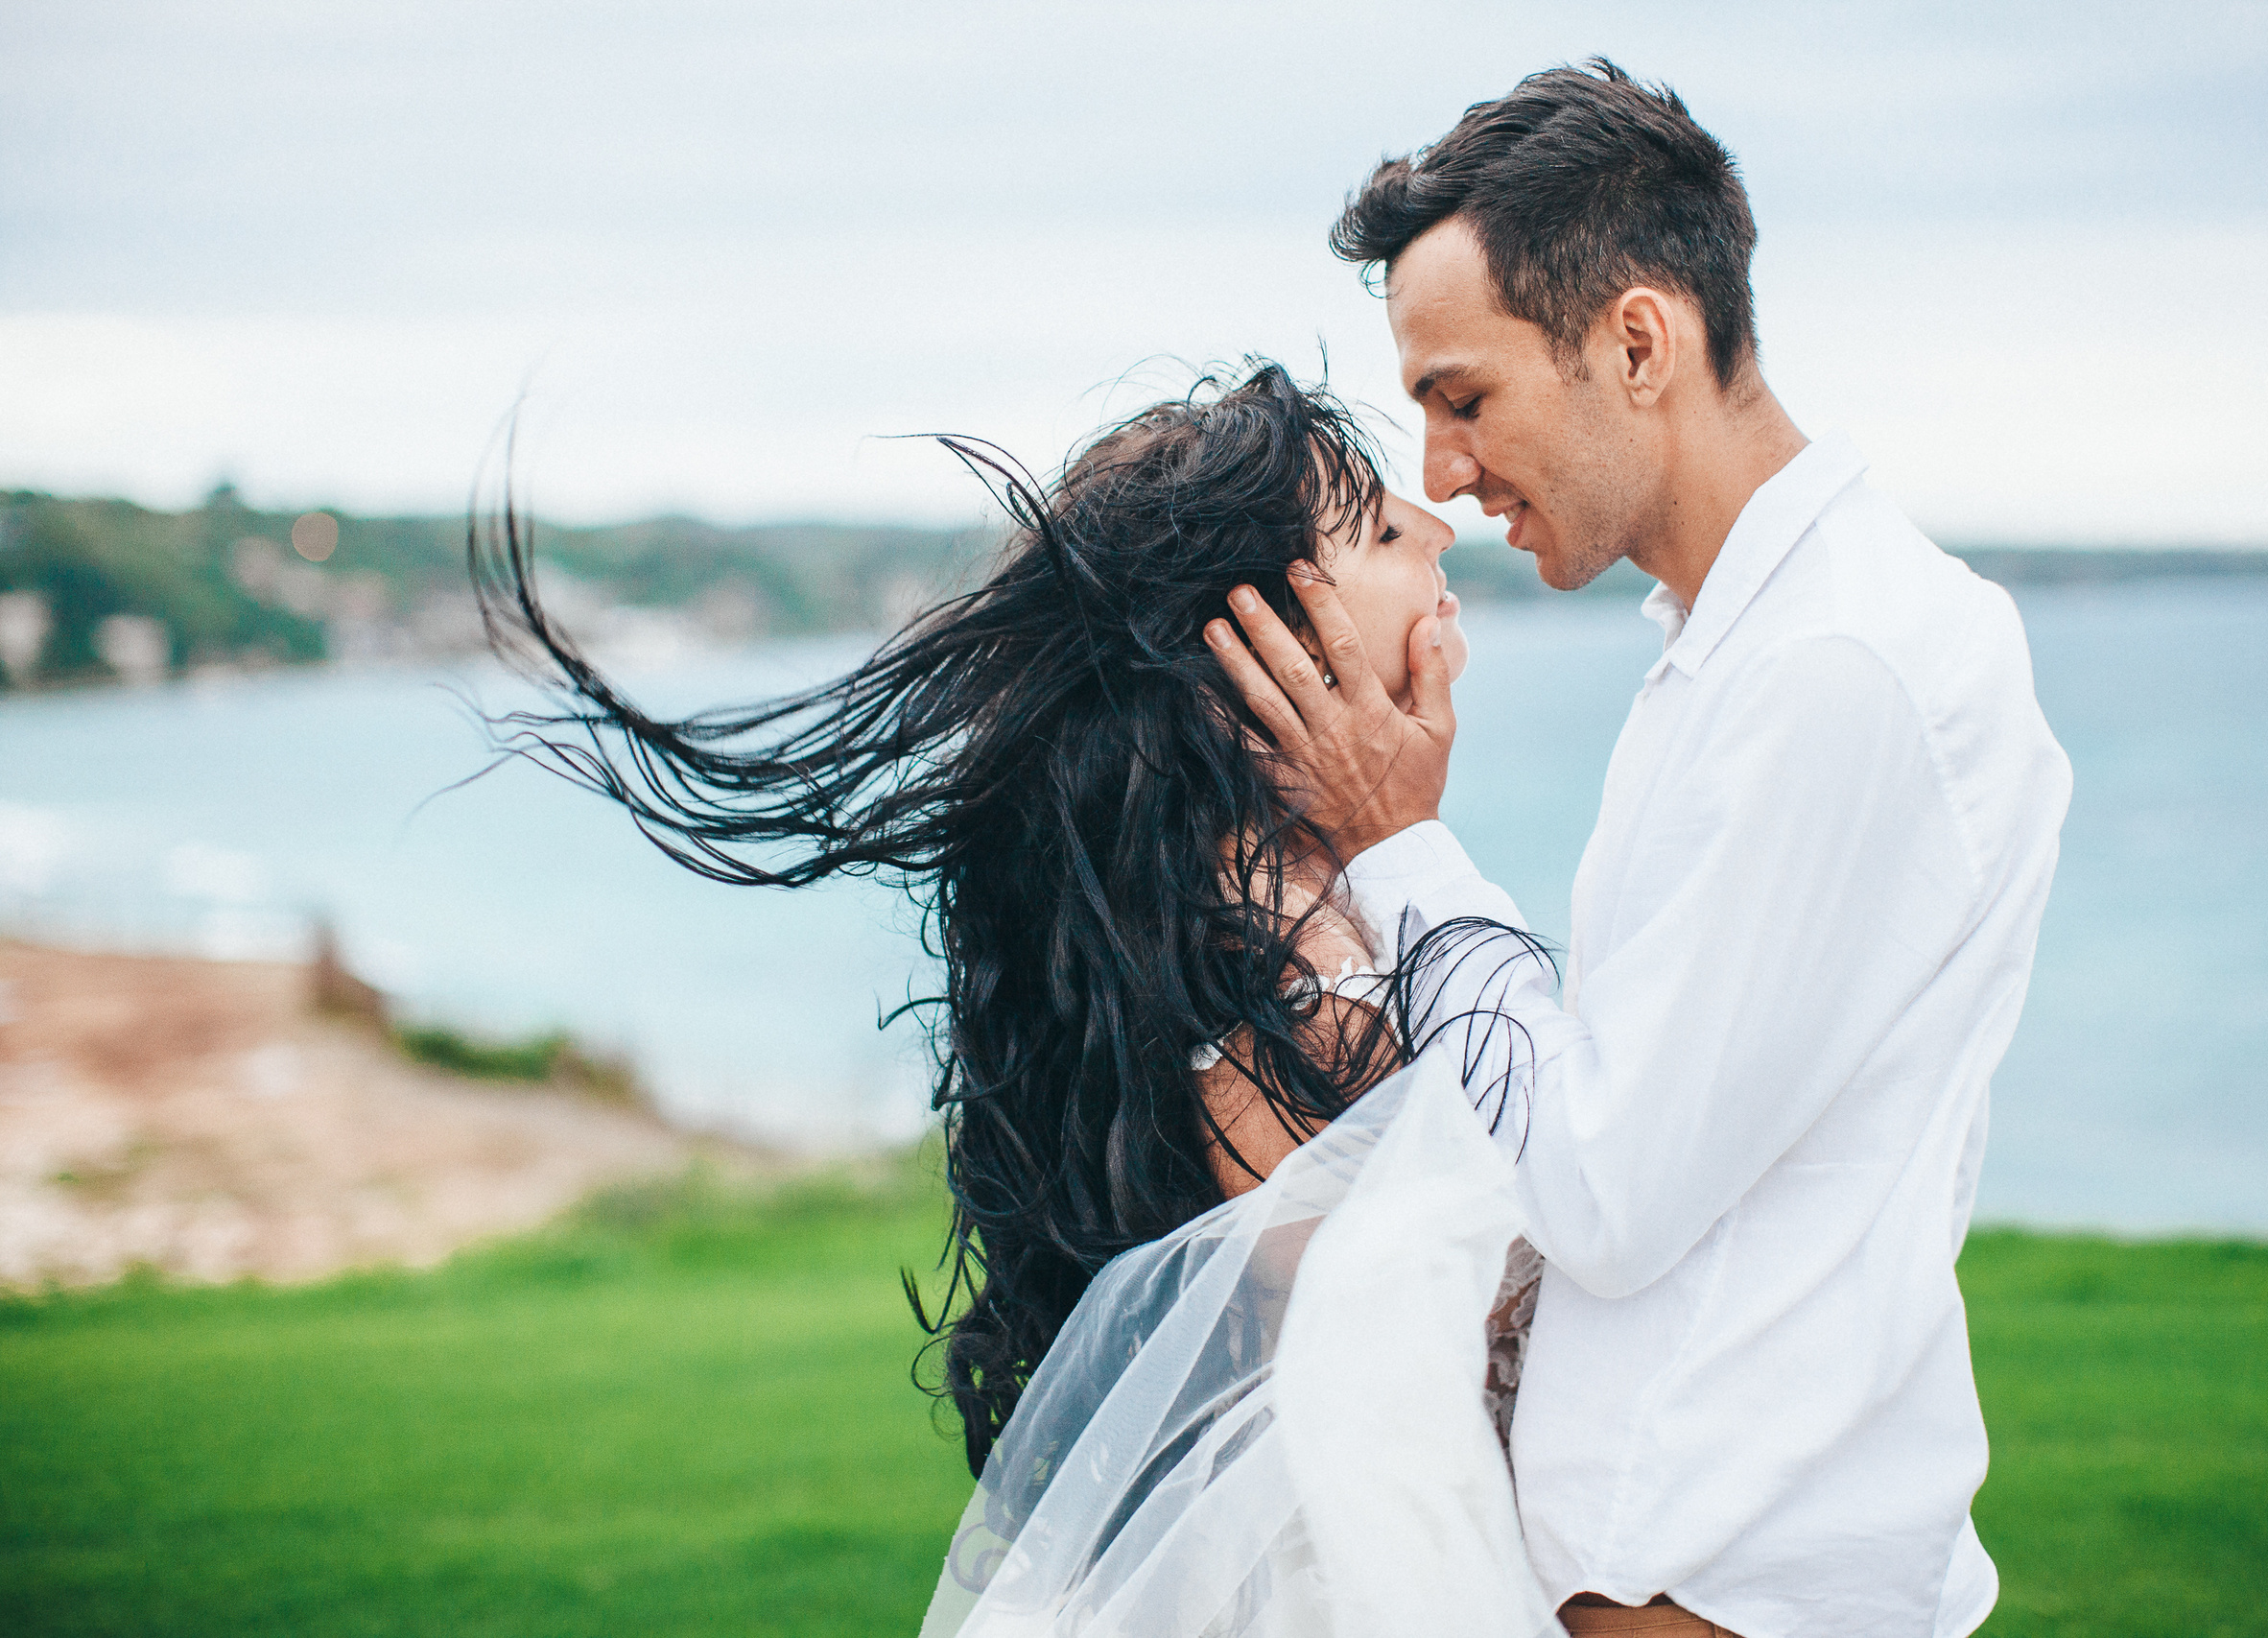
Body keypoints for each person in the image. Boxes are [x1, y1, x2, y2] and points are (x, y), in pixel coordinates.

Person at [468, 364, 1563, 1632]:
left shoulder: (1282, 918)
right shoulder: (1269, 981)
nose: (1436, 523)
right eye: (1378, 528)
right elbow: (1492, 1299)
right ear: (1257, 654)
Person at [1209, 60, 2073, 1638]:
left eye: (1464, 398)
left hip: (1726, 1586)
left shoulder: (1836, 667)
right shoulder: (1742, 650)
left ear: (1635, 342)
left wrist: (1401, 850)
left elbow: (1605, 1183)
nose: (1445, 475)